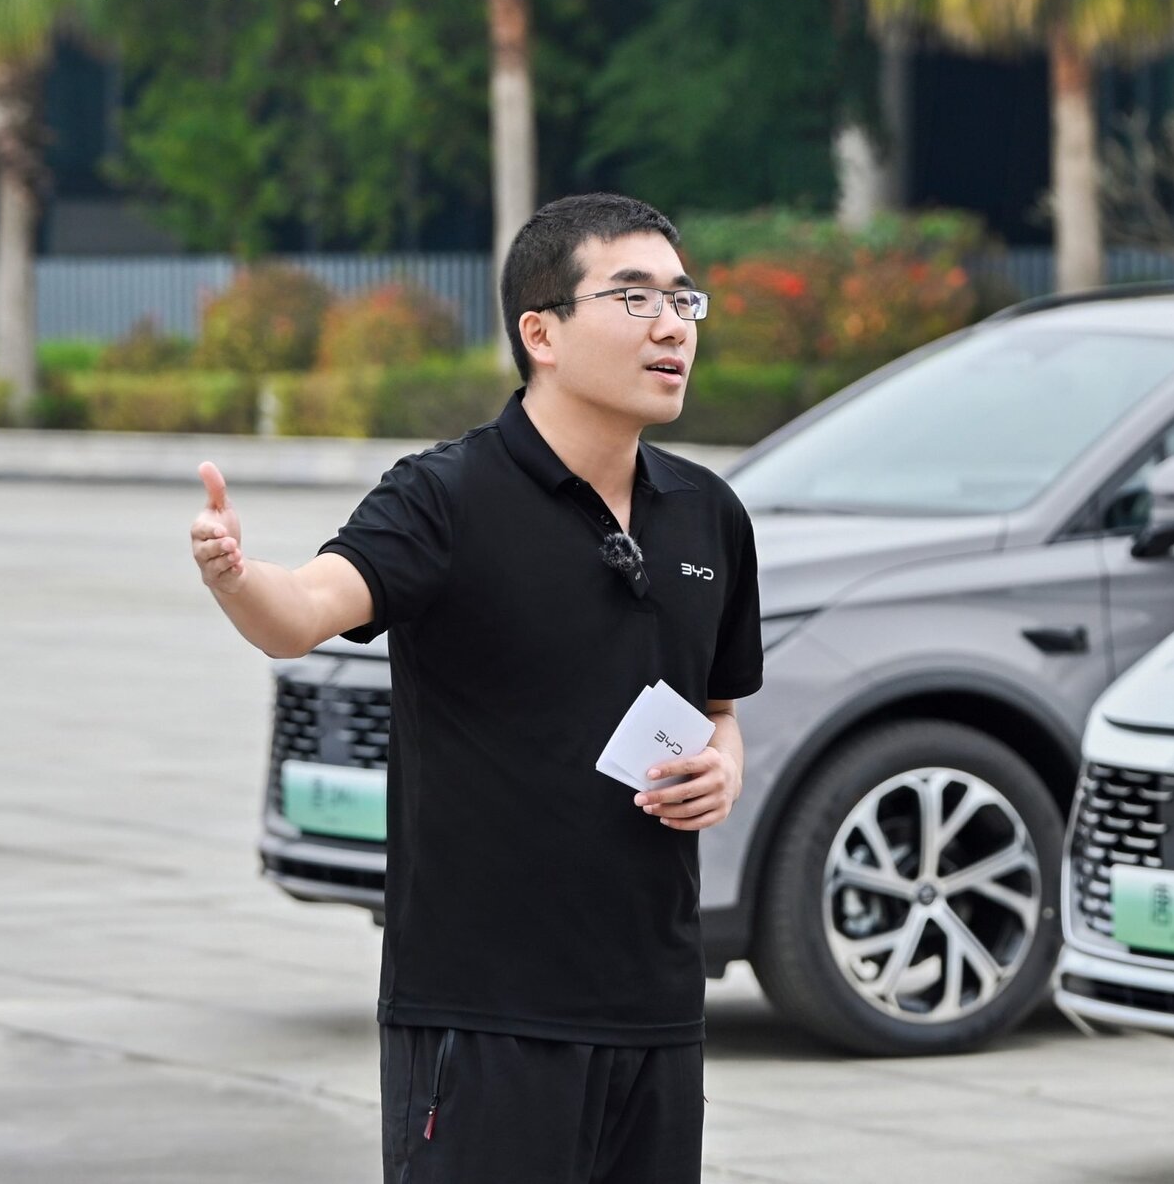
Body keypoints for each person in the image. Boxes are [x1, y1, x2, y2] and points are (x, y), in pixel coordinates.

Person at [188, 193, 762, 1182]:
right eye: (635, 298)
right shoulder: (446, 497)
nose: (673, 326)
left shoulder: (709, 513)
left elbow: (720, 710)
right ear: (542, 332)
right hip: (483, 1018)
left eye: (683, 299)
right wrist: (238, 577)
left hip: (656, 1009)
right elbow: (303, 611)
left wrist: (724, 768)